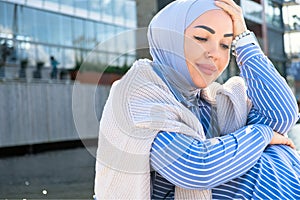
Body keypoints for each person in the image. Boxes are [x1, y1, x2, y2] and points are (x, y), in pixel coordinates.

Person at [94, 0, 300, 199]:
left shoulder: (208, 99)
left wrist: (245, 41)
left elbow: (281, 116)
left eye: (226, 45)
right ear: (170, 38)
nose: (215, 54)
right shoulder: (139, 95)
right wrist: (262, 134)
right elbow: (196, 168)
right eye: (201, 38)